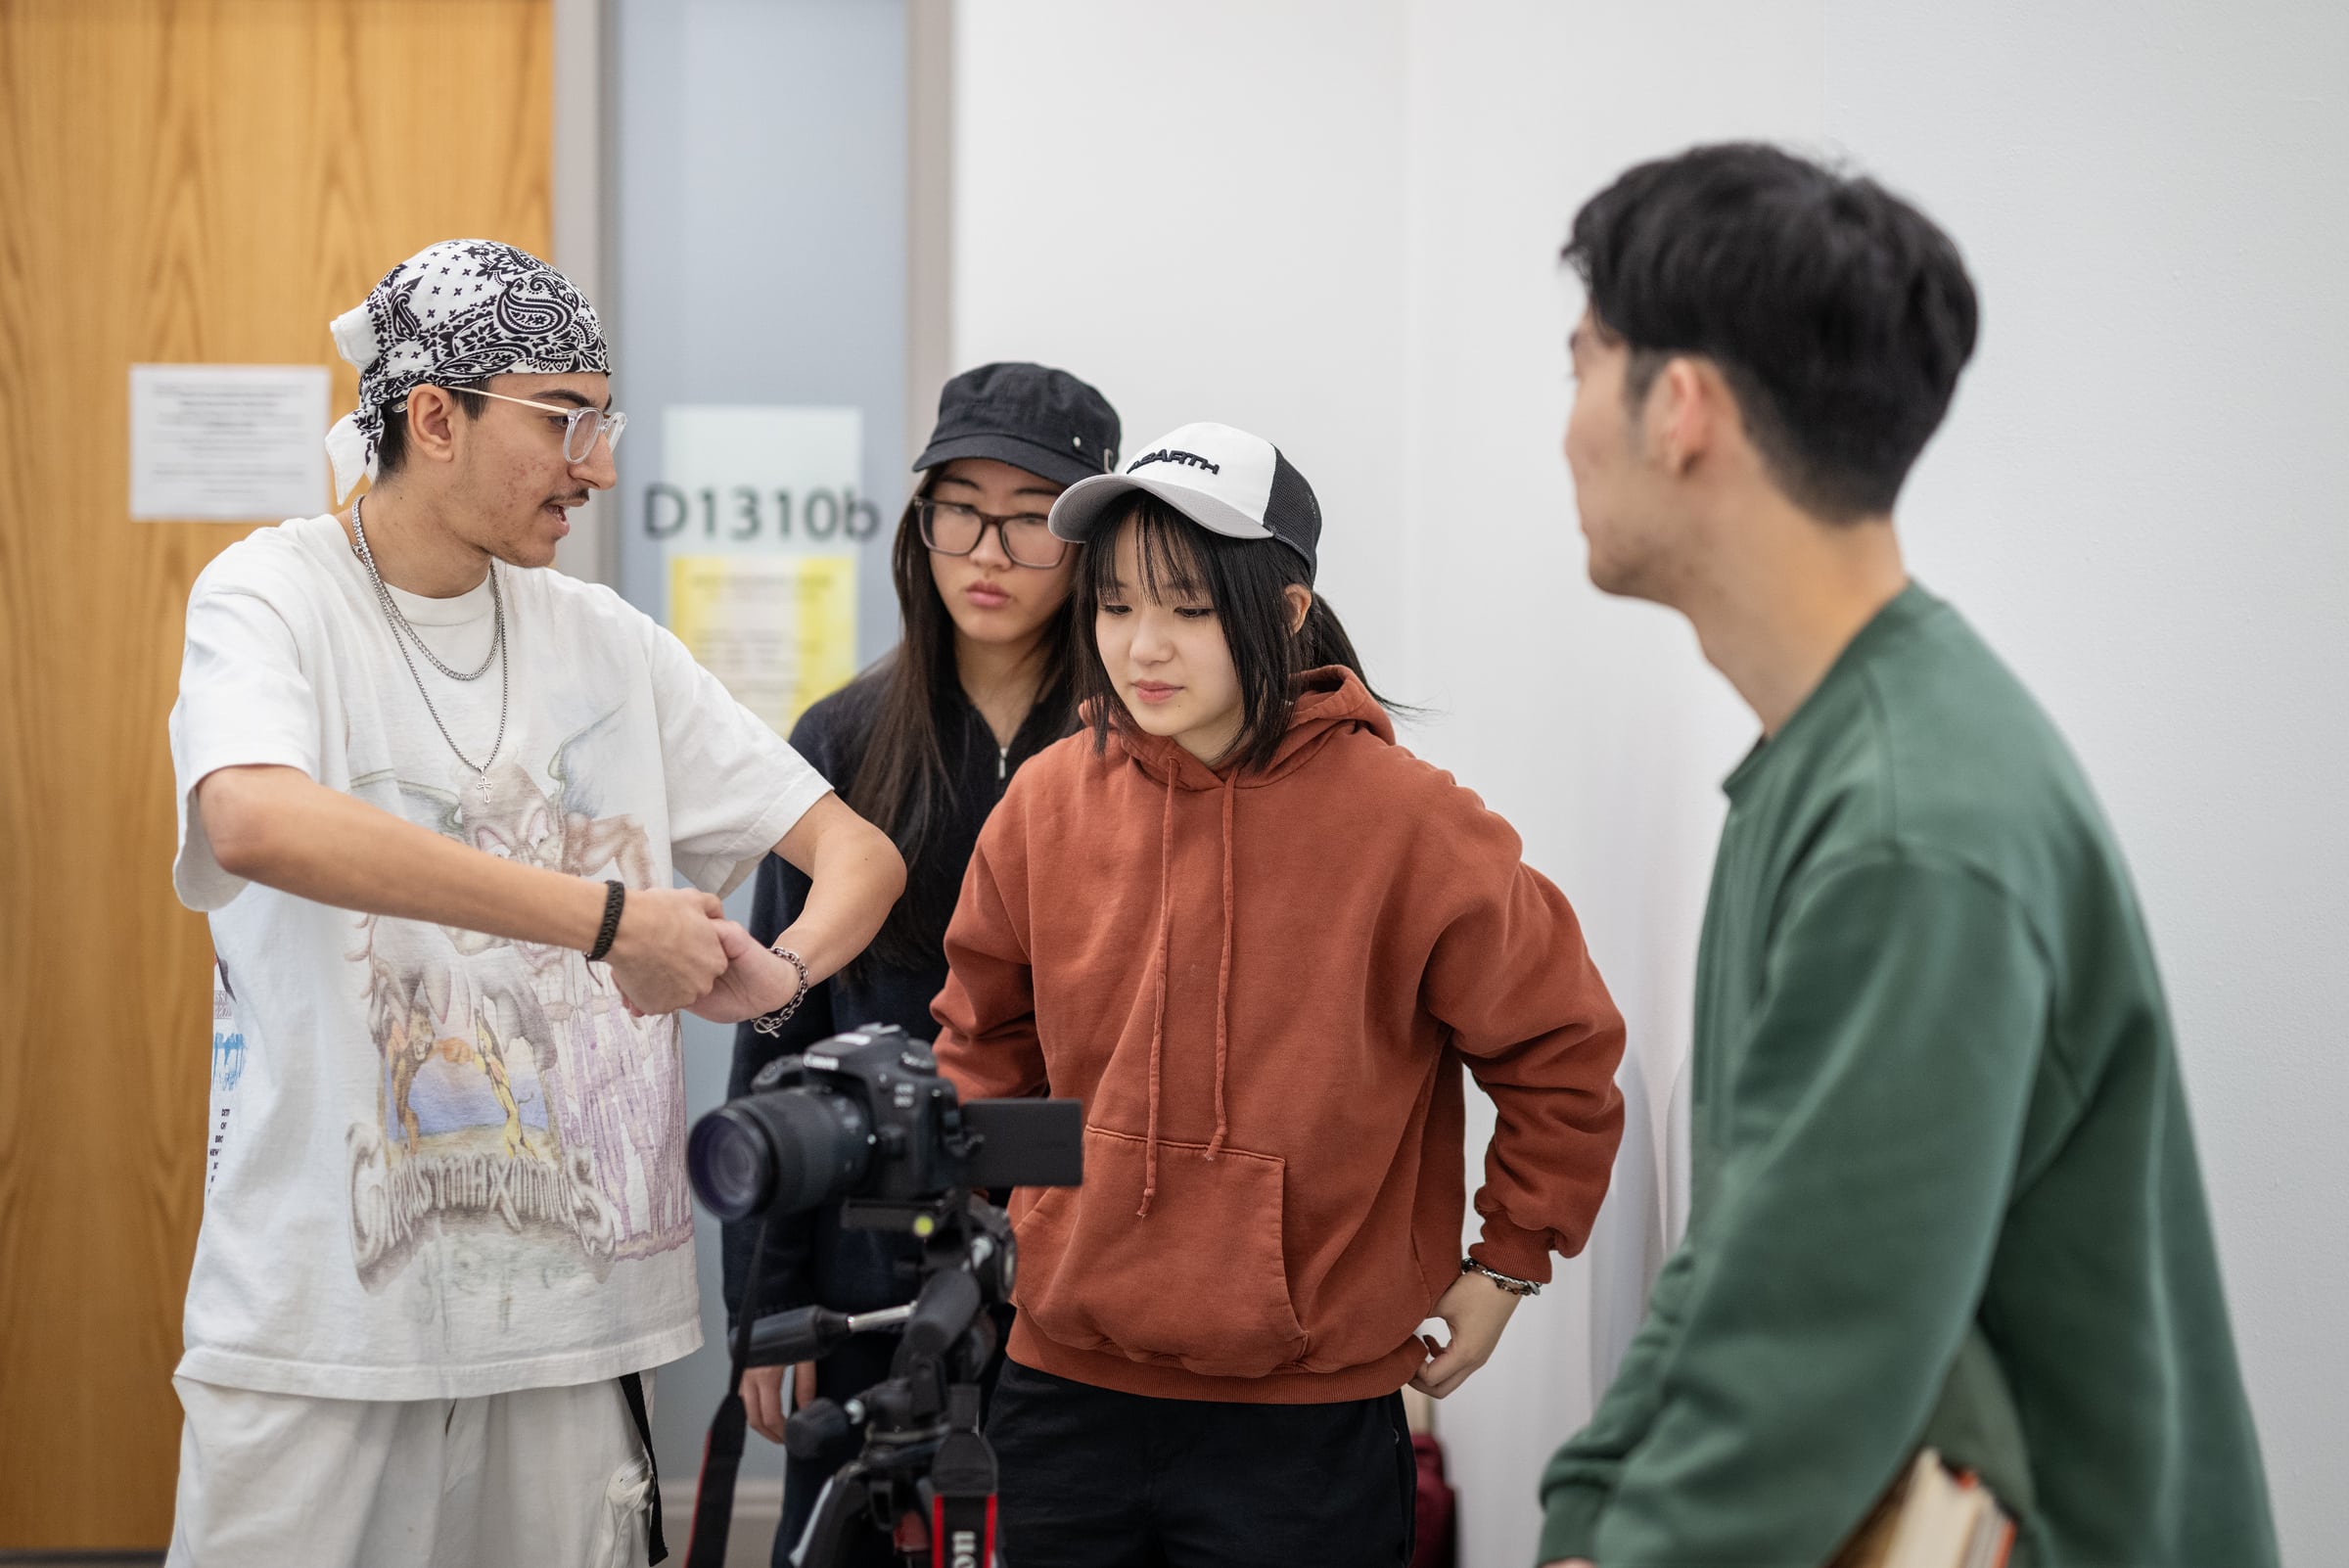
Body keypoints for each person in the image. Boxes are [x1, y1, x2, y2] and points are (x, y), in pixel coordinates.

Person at [1535, 144, 2277, 1568]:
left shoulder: (1908, 827)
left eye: (1584, 364)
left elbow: (1808, 1364)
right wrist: (1589, 1508)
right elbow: (1744, 1255)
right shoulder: (1828, 764)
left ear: (1680, 409)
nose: (1565, 427)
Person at [163, 239, 904, 1568]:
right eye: (564, 419)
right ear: (434, 418)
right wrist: (611, 920)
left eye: (601, 420)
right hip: (323, 1329)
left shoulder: (605, 640)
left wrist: (776, 975)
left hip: (573, 1336)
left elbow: (858, 852)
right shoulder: (272, 595)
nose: (600, 463)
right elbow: (255, 815)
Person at [931, 422, 1629, 1567]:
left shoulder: (1409, 823)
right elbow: (982, 1039)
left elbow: (1561, 1050)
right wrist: (1049, 1209)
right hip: (1060, 1392)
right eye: (1114, 605)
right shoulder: (1048, 801)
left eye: (1189, 609)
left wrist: (1509, 1260)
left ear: (1288, 611)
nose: (1142, 646)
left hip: (1306, 1425)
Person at [721, 360, 1121, 1565]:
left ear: (1089, 541)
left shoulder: (1138, 749)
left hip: (1083, 1260)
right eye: (960, 507)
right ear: (921, 524)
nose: (987, 549)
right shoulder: (840, 741)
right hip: (869, 1269)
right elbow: (776, 1033)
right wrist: (767, 1309)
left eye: (1031, 517)